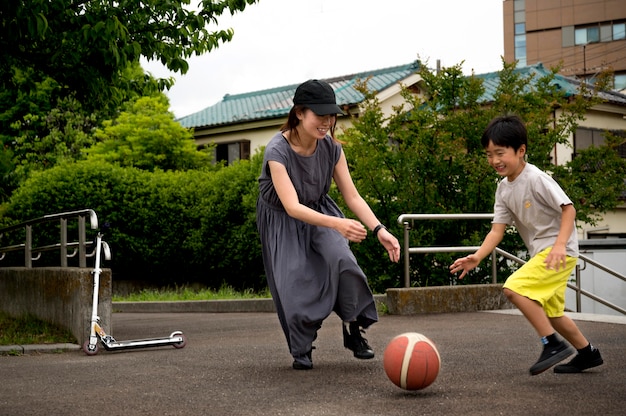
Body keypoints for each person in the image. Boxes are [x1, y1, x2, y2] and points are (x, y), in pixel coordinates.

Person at [256, 79, 401, 370]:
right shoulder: (277, 151)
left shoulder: (332, 148)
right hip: (283, 220)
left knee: (343, 261)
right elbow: (292, 207)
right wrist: (338, 224)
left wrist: (379, 229)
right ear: (299, 113)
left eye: (331, 115)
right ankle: (302, 347)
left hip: (321, 211)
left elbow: (353, 196)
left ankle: (353, 328)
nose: (327, 122)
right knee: (294, 281)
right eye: (320, 115)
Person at [449, 114, 603, 375]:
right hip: (544, 253)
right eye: (489, 154)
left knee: (514, 288)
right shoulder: (503, 189)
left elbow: (569, 209)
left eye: (500, 153)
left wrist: (559, 245)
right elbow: (497, 230)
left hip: (559, 252)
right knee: (553, 314)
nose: (495, 161)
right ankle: (588, 354)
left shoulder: (536, 178)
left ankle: (552, 344)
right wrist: (477, 256)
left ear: (521, 151)